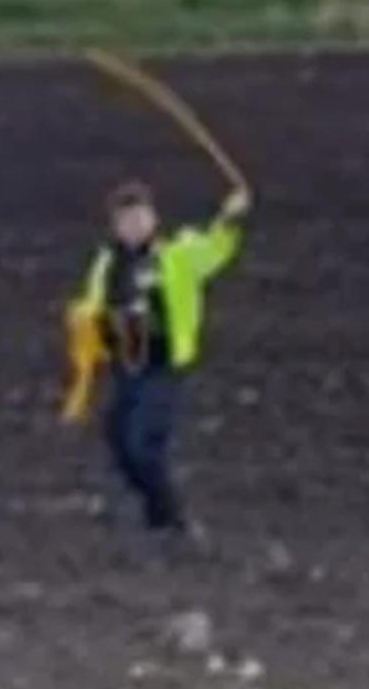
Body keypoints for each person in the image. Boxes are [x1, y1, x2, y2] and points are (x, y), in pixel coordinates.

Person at [65, 179, 250, 538]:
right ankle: (157, 513)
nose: (134, 226)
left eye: (140, 217)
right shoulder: (108, 262)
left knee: (143, 443)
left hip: (163, 366)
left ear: (153, 219)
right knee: (118, 439)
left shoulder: (177, 255)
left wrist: (230, 218)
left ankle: (171, 518)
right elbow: (95, 300)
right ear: (115, 225)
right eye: (126, 219)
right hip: (126, 365)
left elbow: (215, 249)